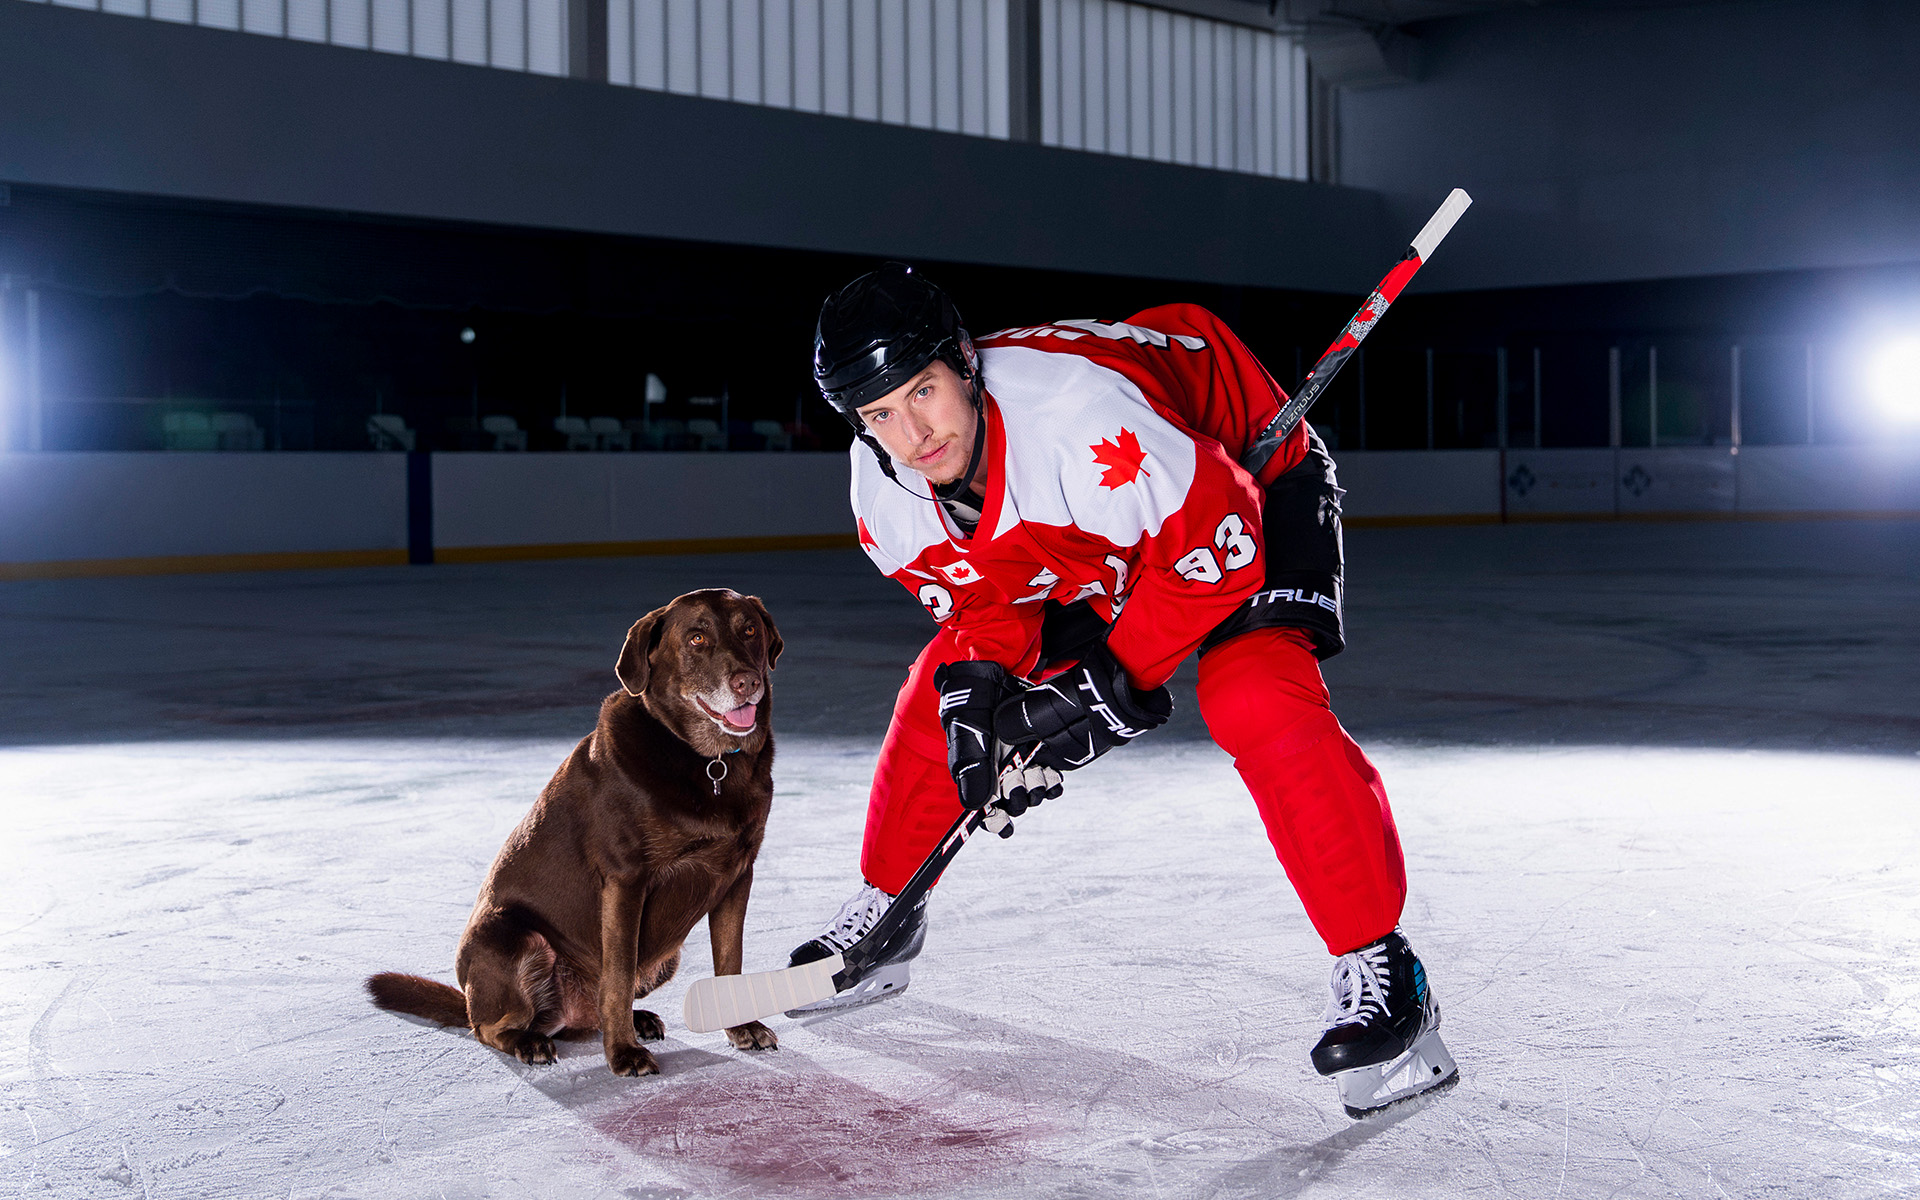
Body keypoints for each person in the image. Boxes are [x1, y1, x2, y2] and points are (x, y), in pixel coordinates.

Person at [788, 262, 1457, 1116]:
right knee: (939, 692)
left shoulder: (1077, 415)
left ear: (963, 363)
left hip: (1239, 487)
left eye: (923, 392)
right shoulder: (882, 489)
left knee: (1253, 691)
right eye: (880, 414)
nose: (912, 434)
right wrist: (983, 692)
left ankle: (1385, 970)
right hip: (1104, 531)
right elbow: (989, 604)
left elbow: (1217, 552)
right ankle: (890, 909)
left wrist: (1098, 697)